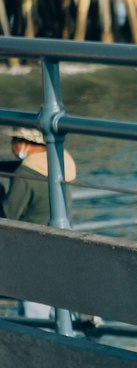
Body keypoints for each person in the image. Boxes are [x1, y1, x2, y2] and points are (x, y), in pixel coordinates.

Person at [1, 127, 77, 320]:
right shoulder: (59, 162)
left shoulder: (27, 172)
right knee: (58, 310)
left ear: (23, 143)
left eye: (14, 142)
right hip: (60, 241)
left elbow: (9, 213)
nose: (12, 147)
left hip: (31, 248)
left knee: (34, 313)